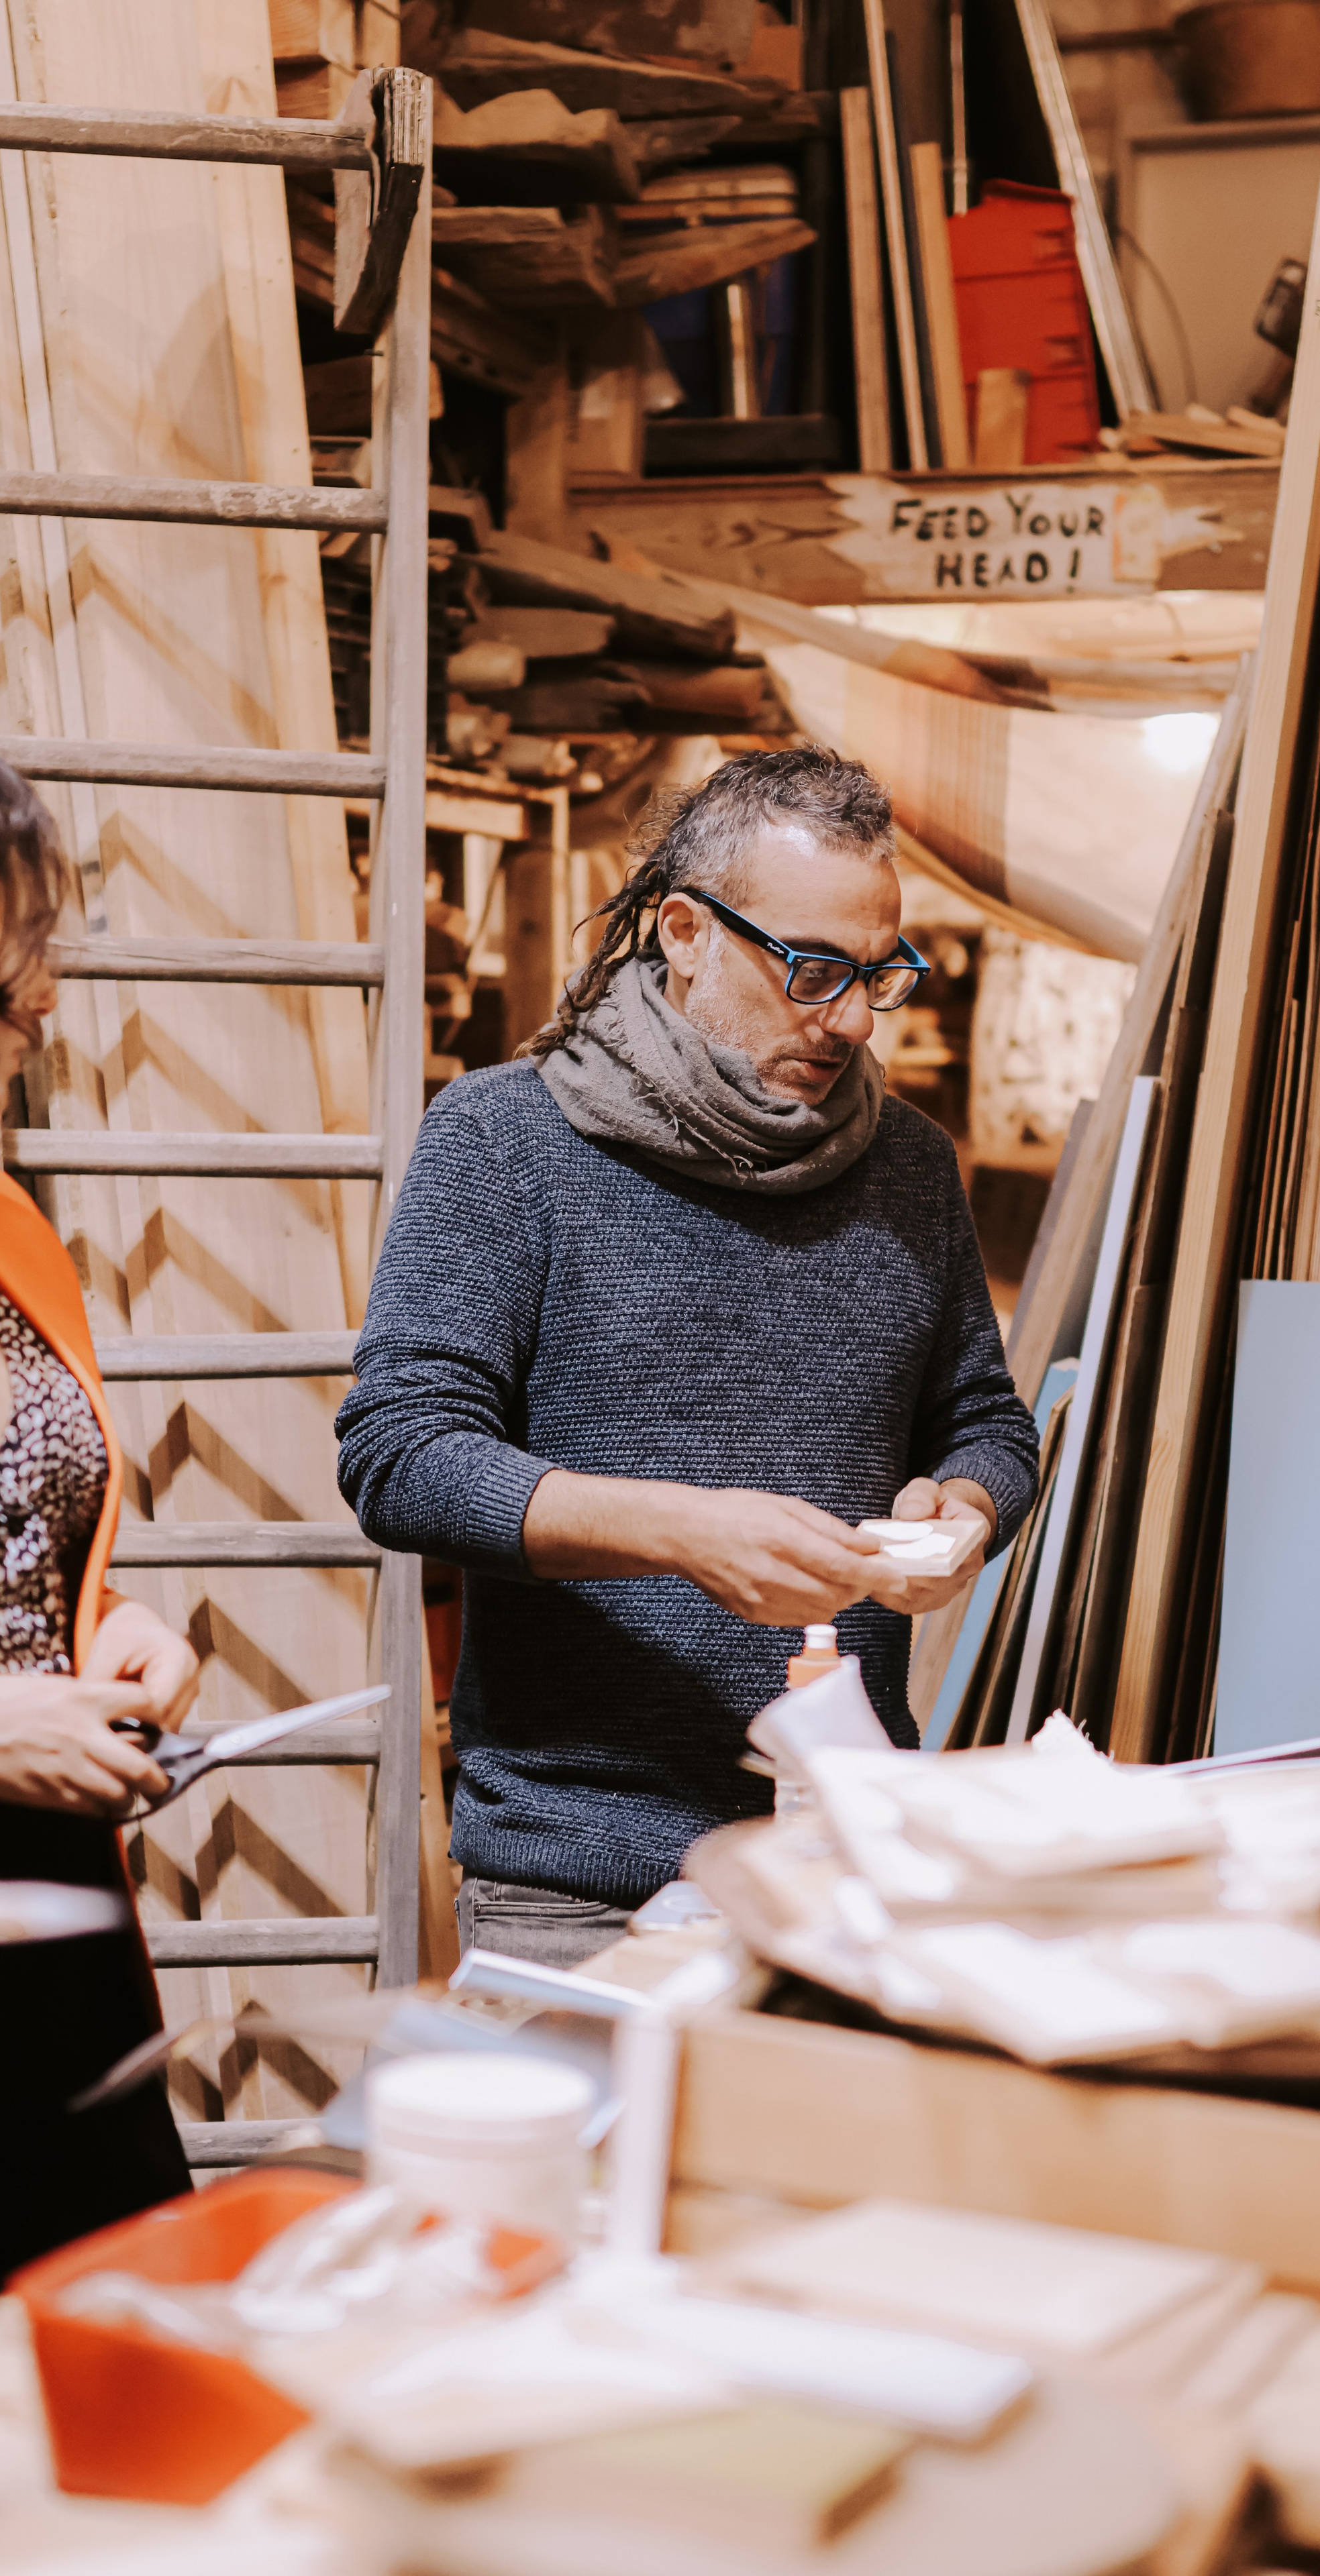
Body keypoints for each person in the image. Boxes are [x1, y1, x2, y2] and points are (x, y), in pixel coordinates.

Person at [339, 746, 1039, 1968]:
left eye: (880, 974)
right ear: (684, 932)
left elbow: (984, 1417)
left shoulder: (911, 1168)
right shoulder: (507, 1141)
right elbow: (402, 1456)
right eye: (814, 971)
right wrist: (684, 1534)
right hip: (581, 1883)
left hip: (843, 1860)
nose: (853, 1019)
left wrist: (965, 1507)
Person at [0, 714, 198, 2349]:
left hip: (62, 1942)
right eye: (10, 956)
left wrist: (107, 1629)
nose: (48, 1000)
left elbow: (6, 1534)